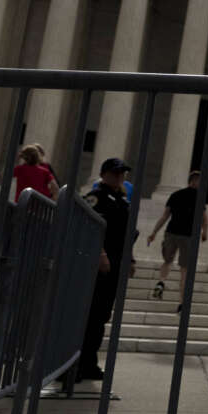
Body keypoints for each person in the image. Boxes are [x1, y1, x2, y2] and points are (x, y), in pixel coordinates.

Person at [78, 157, 136, 381]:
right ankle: (77, 364)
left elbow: (125, 234)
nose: (120, 176)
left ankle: (89, 362)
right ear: (103, 175)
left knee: (101, 314)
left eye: (122, 173)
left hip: (116, 262)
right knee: (89, 313)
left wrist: (130, 259)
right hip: (98, 263)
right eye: (115, 173)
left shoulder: (121, 199)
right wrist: (101, 254)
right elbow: (89, 227)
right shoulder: (97, 197)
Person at [146, 171, 208, 310]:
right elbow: (204, 218)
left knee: (167, 261)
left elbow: (165, 216)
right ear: (194, 181)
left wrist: (154, 233)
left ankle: (161, 282)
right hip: (188, 235)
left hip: (171, 232)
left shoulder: (175, 195)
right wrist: (205, 232)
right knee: (185, 269)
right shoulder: (199, 197)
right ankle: (181, 302)